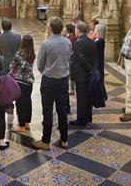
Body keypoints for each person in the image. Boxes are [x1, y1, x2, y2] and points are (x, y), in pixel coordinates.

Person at [33, 17, 73, 150]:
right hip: (63, 80)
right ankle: (64, 140)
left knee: (48, 111)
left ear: (50, 28)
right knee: (62, 111)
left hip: (49, 81)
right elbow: (69, 58)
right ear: (62, 28)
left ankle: (45, 141)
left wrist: (48, 69)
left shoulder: (46, 44)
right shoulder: (67, 42)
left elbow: (39, 65)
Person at [69, 23, 97, 126]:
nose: (75, 31)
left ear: (79, 30)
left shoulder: (78, 42)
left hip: (81, 74)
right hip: (88, 74)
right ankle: (88, 116)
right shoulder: (91, 42)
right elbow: (94, 57)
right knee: (88, 96)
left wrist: (89, 68)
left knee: (81, 97)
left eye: (76, 29)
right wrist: (91, 69)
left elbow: (81, 58)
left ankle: (81, 119)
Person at [10, 34, 35, 133]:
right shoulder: (32, 54)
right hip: (29, 82)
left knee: (20, 104)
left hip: (20, 82)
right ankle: (27, 123)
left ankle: (21, 126)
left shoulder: (19, 54)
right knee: (28, 102)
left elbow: (12, 66)